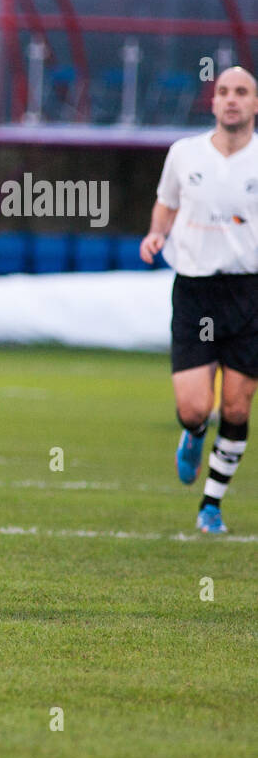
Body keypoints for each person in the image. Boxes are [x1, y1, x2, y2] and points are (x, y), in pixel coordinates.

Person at [141, 65, 258, 533]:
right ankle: (192, 434)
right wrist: (156, 233)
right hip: (195, 291)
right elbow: (167, 202)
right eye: (223, 91)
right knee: (195, 408)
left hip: (249, 291)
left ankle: (211, 505)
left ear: (255, 104)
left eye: (242, 92)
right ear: (213, 103)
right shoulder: (183, 154)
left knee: (235, 406)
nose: (231, 99)